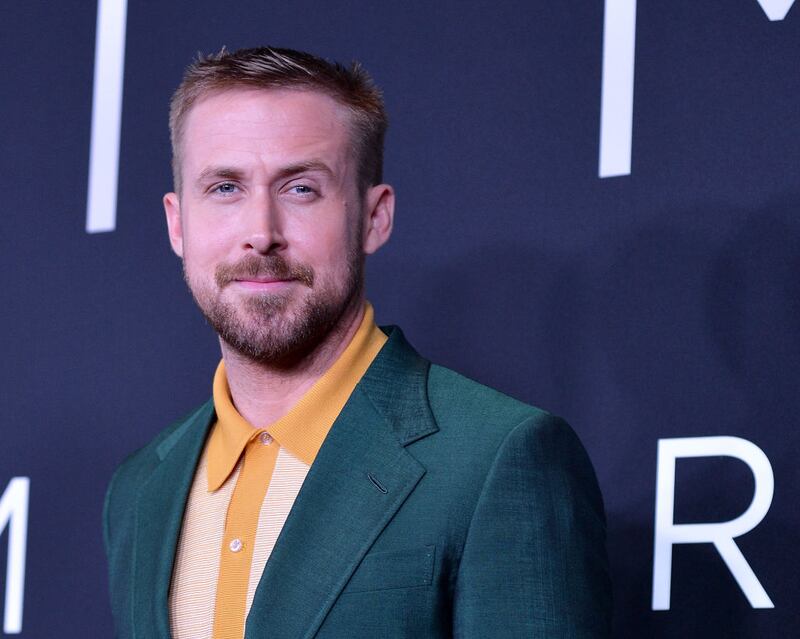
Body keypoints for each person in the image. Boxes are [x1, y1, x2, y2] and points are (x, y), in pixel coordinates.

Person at [103, 45, 611, 639]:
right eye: (224, 188)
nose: (260, 234)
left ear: (374, 217)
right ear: (177, 223)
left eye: (300, 189)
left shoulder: (499, 458)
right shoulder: (139, 489)